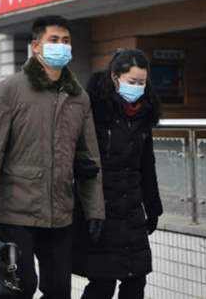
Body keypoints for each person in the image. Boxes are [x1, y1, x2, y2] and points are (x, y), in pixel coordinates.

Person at [0, 15, 105, 299]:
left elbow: (90, 160)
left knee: (59, 290)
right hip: (17, 211)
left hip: (61, 213)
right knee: (23, 286)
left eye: (66, 41)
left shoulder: (79, 97)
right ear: (36, 46)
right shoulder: (11, 89)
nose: (61, 46)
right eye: (53, 40)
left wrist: (95, 210)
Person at [73, 49, 163, 299]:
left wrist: (153, 207)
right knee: (103, 284)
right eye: (132, 81)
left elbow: (147, 164)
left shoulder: (144, 113)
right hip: (102, 209)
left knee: (136, 280)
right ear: (115, 77)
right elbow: (74, 150)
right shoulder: (94, 109)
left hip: (132, 209)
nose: (138, 88)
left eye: (142, 82)